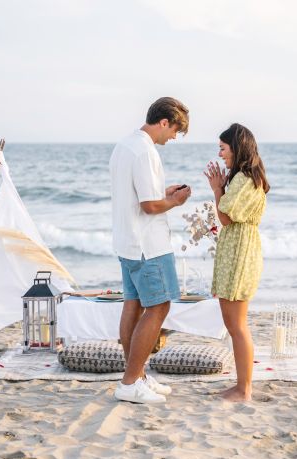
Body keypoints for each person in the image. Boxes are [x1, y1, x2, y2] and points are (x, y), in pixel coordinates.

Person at [110, 97, 191, 404]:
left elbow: (138, 196)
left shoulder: (124, 146)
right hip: (148, 245)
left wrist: (164, 194)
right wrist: (175, 201)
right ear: (164, 122)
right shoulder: (145, 151)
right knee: (158, 308)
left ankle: (136, 376)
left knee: (133, 305)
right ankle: (131, 382)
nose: (174, 138)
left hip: (127, 241)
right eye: (175, 131)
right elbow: (149, 205)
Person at [204, 123, 269, 402]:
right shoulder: (246, 177)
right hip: (240, 249)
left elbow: (226, 217)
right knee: (235, 324)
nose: (220, 154)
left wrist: (217, 189)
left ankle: (244, 389)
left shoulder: (243, 178)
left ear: (237, 147)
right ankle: (242, 386)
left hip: (239, 254)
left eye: (223, 148)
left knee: (237, 325)